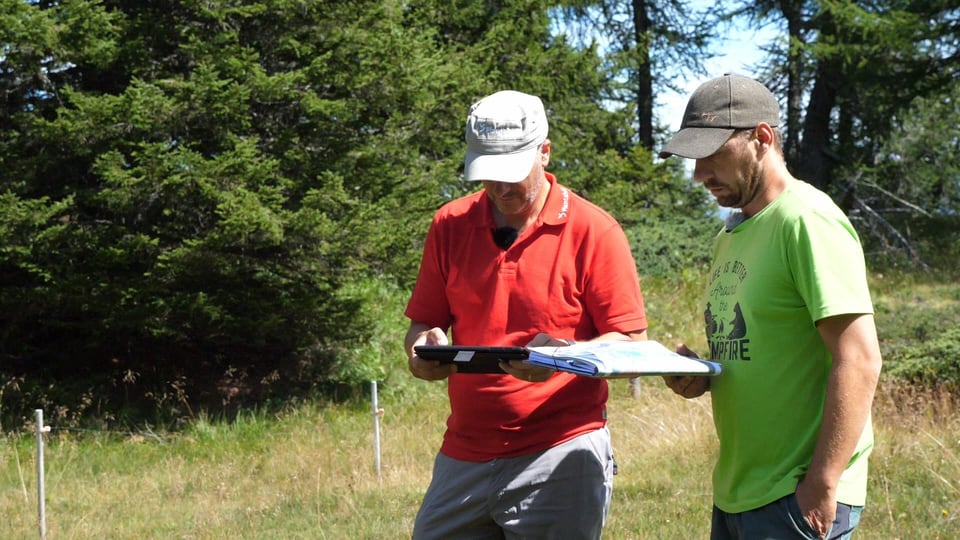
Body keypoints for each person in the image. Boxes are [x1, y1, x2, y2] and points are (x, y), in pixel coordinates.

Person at [404, 90, 648, 539]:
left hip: (560, 453)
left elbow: (632, 346)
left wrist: (563, 357)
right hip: (464, 453)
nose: (500, 188)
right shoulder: (449, 225)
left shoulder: (594, 230)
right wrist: (423, 350)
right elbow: (423, 325)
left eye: (512, 172)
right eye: (488, 173)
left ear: (545, 151)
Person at [659, 73, 883, 540]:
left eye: (712, 155)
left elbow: (860, 359)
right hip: (739, 488)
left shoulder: (807, 221)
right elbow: (759, 342)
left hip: (794, 493)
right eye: (693, 159)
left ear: (763, 138)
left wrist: (822, 481)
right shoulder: (732, 233)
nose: (700, 175)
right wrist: (703, 373)